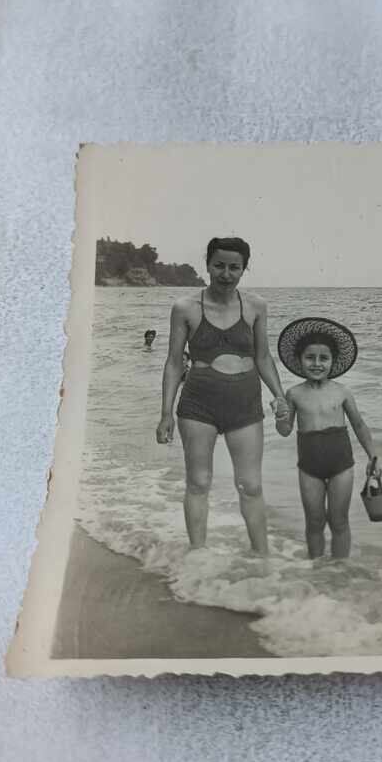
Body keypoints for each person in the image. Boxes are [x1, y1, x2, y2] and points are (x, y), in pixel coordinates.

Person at [156, 237, 289, 554]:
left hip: (245, 403)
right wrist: (165, 413)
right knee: (199, 482)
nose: (226, 274)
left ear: (244, 269)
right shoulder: (185, 308)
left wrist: (280, 395)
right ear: (207, 265)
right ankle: (198, 555)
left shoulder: (256, 306)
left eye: (234, 267)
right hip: (197, 404)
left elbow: (264, 358)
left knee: (251, 485)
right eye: (219, 265)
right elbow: (174, 362)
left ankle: (262, 558)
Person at [275, 317, 380, 559]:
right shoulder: (294, 394)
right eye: (310, 357)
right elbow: (284, 430)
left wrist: (373, 456)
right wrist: (280, 416)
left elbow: (359, 425)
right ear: (300, 361)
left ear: (333, 362)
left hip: (341, 465)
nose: (317, 363)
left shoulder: (342, 392)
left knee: (339, 520)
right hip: (309, 467)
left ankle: (340, 571)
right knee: (314, 521)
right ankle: (316, 570)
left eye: (324, 358)